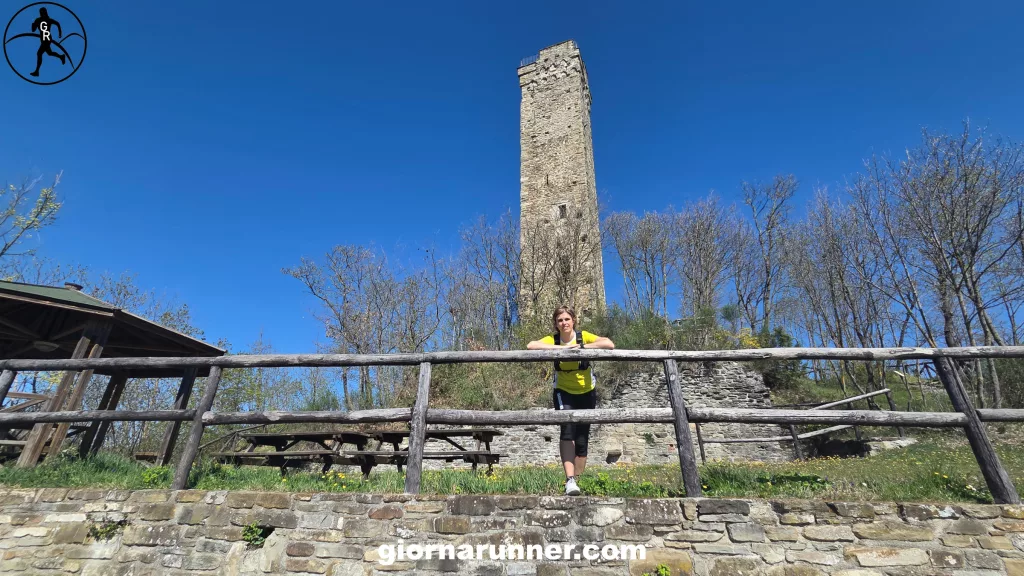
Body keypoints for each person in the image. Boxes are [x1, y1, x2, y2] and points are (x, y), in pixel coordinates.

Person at [527, 305, 615, 496]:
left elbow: (609, 343)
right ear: (556, 324)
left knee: (582, 439)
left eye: (567, 319)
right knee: (567, 430)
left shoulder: (583, 336)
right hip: (563, 391)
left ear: (573, 320)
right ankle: (570, 480)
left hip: (587, 391)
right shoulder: (554, 339)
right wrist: (561, 348)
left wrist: (581, 347)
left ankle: (579, 480)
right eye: (560, 320)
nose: (564, 323)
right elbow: (531, 345)